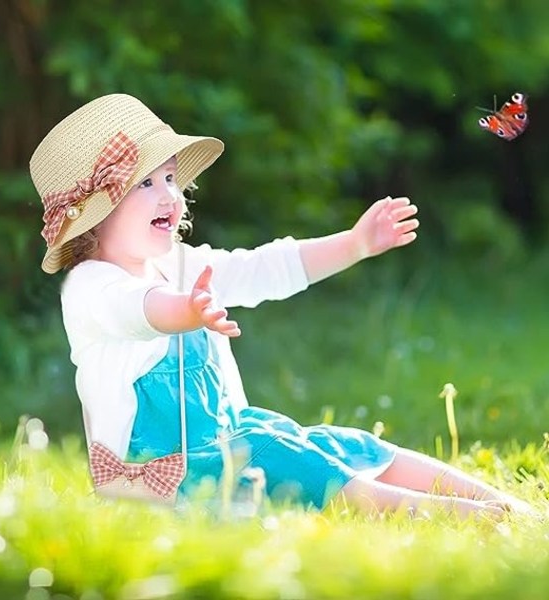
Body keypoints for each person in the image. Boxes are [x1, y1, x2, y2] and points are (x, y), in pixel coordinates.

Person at [30, 93, 534, 520]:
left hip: (227, 439)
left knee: (339, 443)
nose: (169, 195)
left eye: (170, 179)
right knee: (290, 460)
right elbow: (138, 309)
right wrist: (188, 310)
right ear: (95, 216)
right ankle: (465, 518)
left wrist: (354, 244)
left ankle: (510, 506)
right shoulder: (90, 286)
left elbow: (265, 268)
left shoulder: (181, 265)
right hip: (157, 477)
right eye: (146, 183)